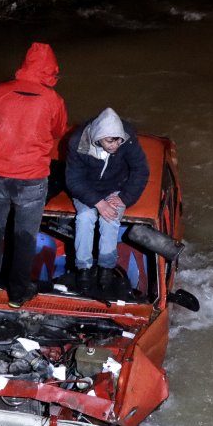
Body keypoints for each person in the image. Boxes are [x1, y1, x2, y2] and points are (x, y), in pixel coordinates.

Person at [0, 42, 67, 307]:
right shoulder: (53, 100)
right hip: (33, 180)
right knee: (25, 238)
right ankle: (17, 294)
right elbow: (58, 131)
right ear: (51, 71)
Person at [65, 107, 148, 293]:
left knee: (110, 219)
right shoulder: (77, 143)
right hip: (87, 188)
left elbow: (140, 170)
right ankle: (84, 268)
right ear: (97, 137)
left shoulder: (128, 138)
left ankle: (106, 268)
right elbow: (73, 180)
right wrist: (98, 202)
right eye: (110, 140)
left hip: (116, 187)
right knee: (85, 218)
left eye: (119, 139)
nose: (116, 144)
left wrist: (124, 197)